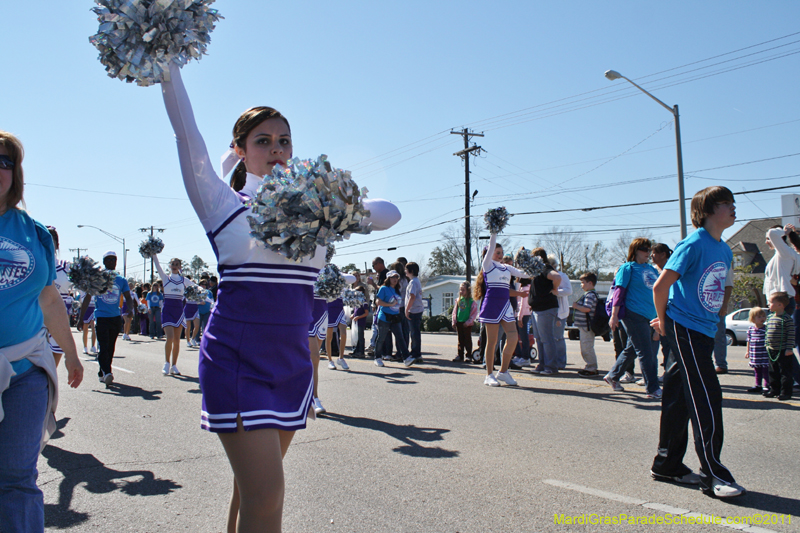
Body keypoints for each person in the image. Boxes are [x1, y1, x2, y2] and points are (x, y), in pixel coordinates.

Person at [159, 61, 399, 531]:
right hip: (236, 359)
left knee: (252, 491)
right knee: (267, 495)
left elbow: (389, 214)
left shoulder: (318, 212)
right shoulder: (224, 205)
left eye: (284, 141)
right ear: (241, 150)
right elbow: (187, 137)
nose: (276, 149)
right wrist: (169, 69)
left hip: (291, 362)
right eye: (263, 141)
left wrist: (335, 202)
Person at [0, 130, 84, 532]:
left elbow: (49, 300)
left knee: (18, 478)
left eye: (5, 162)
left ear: (15, 173)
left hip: (25, 371)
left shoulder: (35, 234)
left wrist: (71, 353)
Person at [650, 185, 744, 498]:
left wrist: (719, 313)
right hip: (685, 328)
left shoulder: (724, 249)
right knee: (707, 395)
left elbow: (725, 285)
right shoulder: (693, 244)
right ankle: (713, 474)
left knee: (678, 394)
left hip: (704, 329)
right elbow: (661, 286)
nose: (733, 207)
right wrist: (664, 321)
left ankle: (667, 464)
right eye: (727, 203)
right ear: (707, 210)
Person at [604, 238, 662, 399]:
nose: (648, 252)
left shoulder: (651, 269)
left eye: (649, 249)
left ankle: (613, 376)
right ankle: (652, 388)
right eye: (644, 249)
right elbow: (619, 292)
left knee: (632, 349)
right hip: (633, 314)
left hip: (650, 315)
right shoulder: (627, 268)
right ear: (635, 250)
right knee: (646, 352)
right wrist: (614, 316)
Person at [475, 233, 530, 386]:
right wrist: (494, 231)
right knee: (492, 341)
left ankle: (504, 371)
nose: (500, 255)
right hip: (492, 305)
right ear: (489, 253)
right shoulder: (488, 265)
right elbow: (492, 244)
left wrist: (536, 267)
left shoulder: (507, 268)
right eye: (497, 252)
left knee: (513, 337)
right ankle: (489, 375)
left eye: (501, 252)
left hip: (506, 305)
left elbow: (524, 274)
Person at [78, 251, 136, 386]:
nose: (111, 262)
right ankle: (108, 372)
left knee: (110, 348)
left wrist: (130, 309)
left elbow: (128, 297)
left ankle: (102, 372)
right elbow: (87, 298)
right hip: (101, 316)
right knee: (103, 346)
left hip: (115, 317)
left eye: (113, 260)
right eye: (108, 260)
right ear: (104, 262)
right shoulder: (97, 278)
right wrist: (81, 318)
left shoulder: (121, 280)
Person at [763, 224, 800, 385]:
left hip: (782, 302)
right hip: (777, 303)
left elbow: (773, 232)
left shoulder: (784, 253)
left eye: (767, 239)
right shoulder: (781, 255)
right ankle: (781, 381)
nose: (767, 241)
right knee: (777, 347)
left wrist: (785, 231)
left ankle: (794, 379)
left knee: (781, 347)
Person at [153, 255, 194, 375]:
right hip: (167, 311)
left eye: (177, 264)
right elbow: (157, 265)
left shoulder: (183, 280)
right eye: (173, 264)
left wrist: (209, 299)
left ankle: (174, 366)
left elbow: (196, 288)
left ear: (180, 267)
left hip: (179, 311)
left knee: (177, 340)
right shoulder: (165, 278)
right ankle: (166, 362)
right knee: (169, 337)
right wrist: (153, 253)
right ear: (170, 266)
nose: (175, 266)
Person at [528, 247, 561, 375]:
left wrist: (554, 289)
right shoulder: (537, 270)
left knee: (547, 339)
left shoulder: (544, 267)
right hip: (537, 309)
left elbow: (557, 277)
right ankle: (542, 364)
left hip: (546, 308)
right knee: (539, 339)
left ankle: (551, 366)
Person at [374, 271, 412, 367]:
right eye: (392, 277)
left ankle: (406, 358)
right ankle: (377, 357)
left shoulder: (397, 289)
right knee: (381, 338)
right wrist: (389, 304)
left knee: (400, 338)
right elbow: (378, 302)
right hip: (384, 317)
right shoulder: (384, 288)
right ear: (388, 279)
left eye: (396, 277)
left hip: (395, 317)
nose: (395, 279)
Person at [764, 292, 794, 400]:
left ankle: (786, 392)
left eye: (771, 302)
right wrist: (767, 344)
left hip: (783, 350)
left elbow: (791, 335)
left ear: (780, 305)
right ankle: (774, 390)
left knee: (785, 372)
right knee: (773, 371)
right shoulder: (770, 317)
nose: (768, 304)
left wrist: (789, 348)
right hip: (772, 349)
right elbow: (767, 332)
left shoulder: (786, 319)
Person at [573, 272, 599, 377]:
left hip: (587, 327)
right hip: (584, 326)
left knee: (587, 348)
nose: (581, 285)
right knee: (585, 347)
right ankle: (589, 366)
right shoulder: (589, 294)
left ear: (590, 283)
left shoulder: (590, 295)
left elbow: (587, 308)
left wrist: (576, 306)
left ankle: (592, 368)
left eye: (583, 282)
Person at [550, 255, 572, 370]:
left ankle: (560, 362)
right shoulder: (546, 276)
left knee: (558, 337)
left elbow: (569, 290)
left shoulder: (562, 276)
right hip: (548, 310)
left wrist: (556, 292)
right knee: (549, 338)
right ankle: (551, 361)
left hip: (560, 312)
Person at [744, 307, 769, 393]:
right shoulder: (751, 329)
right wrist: (747, 352)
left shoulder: (766, 329)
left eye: (763, 316)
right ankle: (758, 385)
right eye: (759, 317)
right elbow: (748, 341)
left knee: (765, 370)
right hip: (755, 353)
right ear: (753, 319)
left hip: (764, 353)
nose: (762, 318)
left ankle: (767, 385)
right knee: (757, 370)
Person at [452, 281, 478, 363]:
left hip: (467, 324)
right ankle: (460, 355)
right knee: (460, 340)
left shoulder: (471, 301)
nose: (461, 291)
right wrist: (454, 321)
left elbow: (474, 313)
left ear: (468, 291)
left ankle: (468, 355)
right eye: (460, 290)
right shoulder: (458, 300)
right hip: (459, 322)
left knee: (467, 339)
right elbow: (455, 311)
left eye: (463, 290)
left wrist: (469, 322)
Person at [405, 262, 424, 363]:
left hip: (414, 311)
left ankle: (416, 353)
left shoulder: (413, 282)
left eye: (406, 269)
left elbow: (412, 297)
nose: (405, 271)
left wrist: (407, 309)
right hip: (418, 309)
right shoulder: (416, 281)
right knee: (415, 332)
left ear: (411, 271)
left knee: (414, 333)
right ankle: (416, 352)